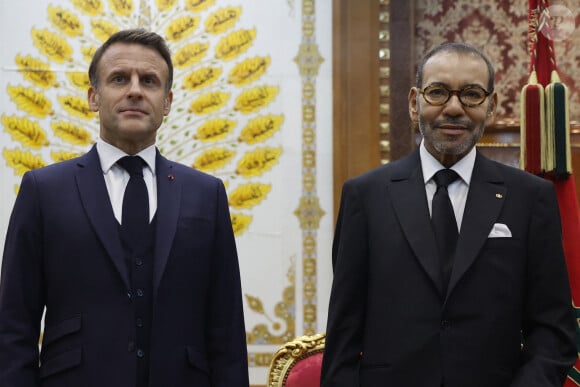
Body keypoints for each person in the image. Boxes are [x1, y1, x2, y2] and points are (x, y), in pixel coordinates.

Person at [0, 29, 249, 387]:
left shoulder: (206, 193)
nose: (135, 90)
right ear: (93, 97)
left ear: (166, 102)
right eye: (119, 79)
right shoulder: (43, 190)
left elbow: (225, 330)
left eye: (149, 81)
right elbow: (14, 325)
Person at [321, 42, 577, 387]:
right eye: (438, 92)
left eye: (471, 94)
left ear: (491, 105)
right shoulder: (364, 197)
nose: (454, 108)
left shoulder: (530, 198)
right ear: (415, 103)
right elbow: (343, 335)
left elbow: (553, 331)